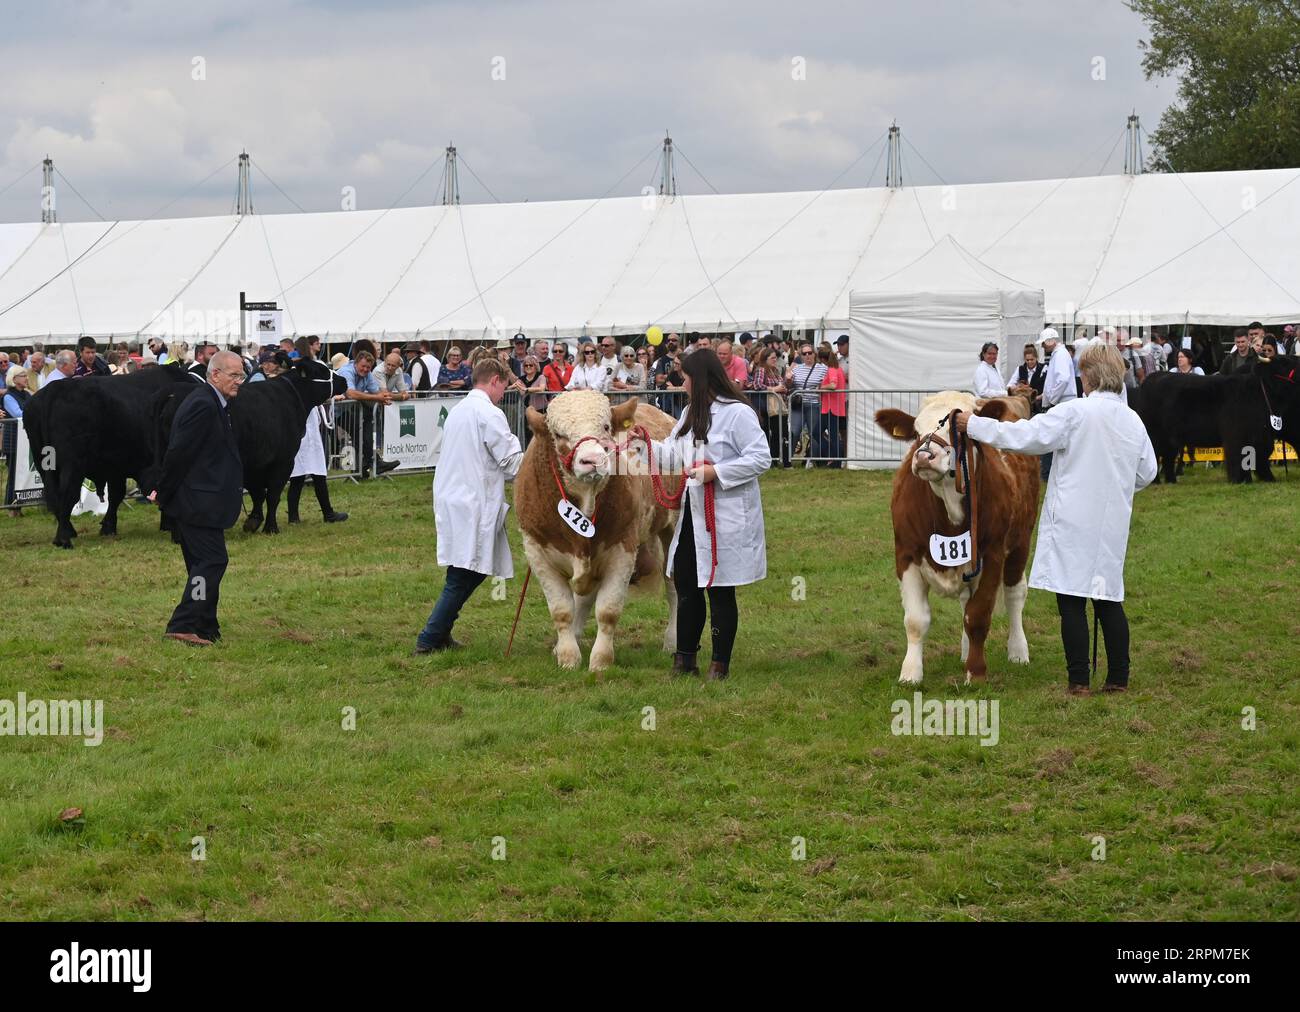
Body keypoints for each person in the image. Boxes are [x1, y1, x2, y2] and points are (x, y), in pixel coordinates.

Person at [954, 343, 1157, 696]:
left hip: (1072, 517)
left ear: (1089, 377)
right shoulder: (1133, 419)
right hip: (1111, 520)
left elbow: (1025, 436)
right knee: (1108, 596)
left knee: (1072, 598)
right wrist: (1118, 486)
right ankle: (1118, 679)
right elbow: (1148, 472)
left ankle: (1078, 680)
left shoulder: (1074, 412)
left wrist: (974, 425)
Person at [645, 348, 770, 680]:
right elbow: (673, 454)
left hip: (726, 515)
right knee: (686, 581)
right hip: (694, 515)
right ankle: (685, 659)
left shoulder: (738, 414)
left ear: (697, 378)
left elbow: (761, 457)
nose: (681, 382)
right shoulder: (689, 413)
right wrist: (643, 444)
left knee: (720, 587)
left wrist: (717, 472)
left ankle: (720, 663)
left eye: (684, 376)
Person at [415, 358, 525, 653]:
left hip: (454, 497)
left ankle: (441, 633)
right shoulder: (489, 413)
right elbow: (511, 461)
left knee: (469, 568)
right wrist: (539, 463)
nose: (504, 393)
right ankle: (428, 638)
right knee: (464, 572)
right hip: (472, 500)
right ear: (493, 381)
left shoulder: (459, 410)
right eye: (503, 386)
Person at [149, 351, 246, 646]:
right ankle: (184, 623)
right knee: (212, 561)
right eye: (234, 376)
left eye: (241, 375)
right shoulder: (203, 404)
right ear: (215, 374)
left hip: (204, 501)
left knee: (202, 564)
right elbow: (179, 452)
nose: (239, 382)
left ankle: (204, 623)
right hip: (197, 502)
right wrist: (163, 491)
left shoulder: (215, 402)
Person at [288, 338, 348, 526]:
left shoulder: (295, 371)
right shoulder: (311, 368)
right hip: (303, 420)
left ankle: (295, 516)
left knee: (303, 472)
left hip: (306, 420)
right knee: (310, 472)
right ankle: (326, 513)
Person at [1039, 327, 1077, 480]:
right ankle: (1051, 472)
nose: (1042, 346)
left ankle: (1048, 473)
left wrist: (1051, 401)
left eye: (1044, 343)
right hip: (1061, 401)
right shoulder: (1059, 354)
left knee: (1053, 437)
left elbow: (1063, 379)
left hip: (1062, 402)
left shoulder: (1060, 354)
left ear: (1051, 341)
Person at [746, 345, 789, 467]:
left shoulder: (775, 370)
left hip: (778, 406)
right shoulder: (761, 370)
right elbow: (757, 385)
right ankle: (772, 461)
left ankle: (781, 460)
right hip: (768, 408)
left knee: (781, 433)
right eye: (772, 358)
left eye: (776, 358)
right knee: (772, 434)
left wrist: (784, 387)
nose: (775, 360)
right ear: (765, 359)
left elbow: (782, 385)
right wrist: (774, 389)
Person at [785, 341, 826, 466]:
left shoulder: (823, 368)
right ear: (801, 356)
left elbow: (826, 384)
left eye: (810, 353)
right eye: (804, 353)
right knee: (794, 431)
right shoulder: (796, 368)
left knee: (814, 433)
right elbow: (788, 386)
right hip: (798, 404)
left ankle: (813, 460)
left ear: (814, 354)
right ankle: (788, 460)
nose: (807, 355)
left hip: (814, 404)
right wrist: (788, 381)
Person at [2, 367, 32, 508]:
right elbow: (17, 414)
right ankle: (10, 505)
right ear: (14, 379)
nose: (26, 378)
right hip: (13, 440)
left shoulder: (26, 394)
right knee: (13, 474)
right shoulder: (8, 396)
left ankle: (19, 504)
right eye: (23, 375)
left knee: (23, 473)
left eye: (26, 375)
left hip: (25, 440)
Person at [818, 346, 847, 468]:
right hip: (834, 407)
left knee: (817, 432)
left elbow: (833, 385)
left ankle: (835, 459)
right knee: (832, 435)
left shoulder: (832, 369)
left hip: (830, 408)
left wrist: (820, 388)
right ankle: (835, 459)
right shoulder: (838, 369)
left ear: (823, 359)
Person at [1014, 343, 1047, 414]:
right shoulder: (1020, 369)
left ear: (1036, 358)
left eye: (1032, 359)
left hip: (1039, 405)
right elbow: (1010, 386)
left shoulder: (1044, 368)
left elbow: (1048, 388)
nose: (1029, 362)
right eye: (1027, 360)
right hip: (1023, 407)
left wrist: (1039, 397)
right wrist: (1018, 387)